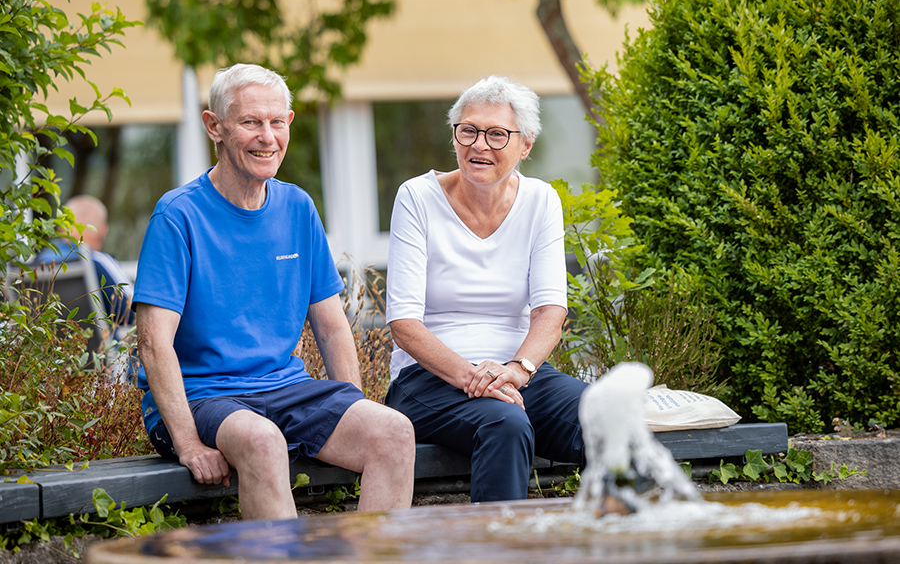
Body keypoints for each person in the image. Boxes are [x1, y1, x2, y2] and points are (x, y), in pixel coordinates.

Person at [133, 63, 415, 520]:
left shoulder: (298, 207)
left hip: (286, 388)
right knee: (264, 441)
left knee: (394, 432)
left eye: (277, 122)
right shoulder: (178, 216)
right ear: (214, 127)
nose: (268, 136)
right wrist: (187, 442)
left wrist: (348, 409)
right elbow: (153, 342)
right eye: (250, 122)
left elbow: (332, 327)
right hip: (205, 396)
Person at [385, 75, 589, 503]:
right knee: (505, 424)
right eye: (469, 131)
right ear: (455, 136)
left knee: (603, 415)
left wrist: (516, 370)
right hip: (427, 378)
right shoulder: (417, 198)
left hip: (514, 375)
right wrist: (474, 379)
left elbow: (551, 310)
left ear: (525, 145)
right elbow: (403, 323)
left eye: (497, 134)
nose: (480, 145)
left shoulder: (541, 200)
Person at [35, 194, 135, 327]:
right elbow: (133, 312)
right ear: (103, 230)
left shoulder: (38, 263)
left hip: (46, 345)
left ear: (61, 227)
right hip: (98, 347)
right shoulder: (97, 261)